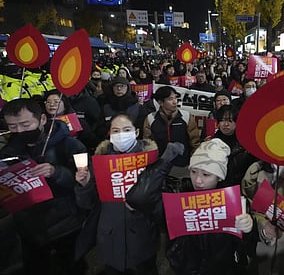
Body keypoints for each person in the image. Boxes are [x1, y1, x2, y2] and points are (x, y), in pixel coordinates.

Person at [74, 113, 183, 275]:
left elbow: (161, 203)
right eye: (116, 131)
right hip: (110, 234)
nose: (121, 135)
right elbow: (87, 204)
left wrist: (142, 205)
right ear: (109, 134)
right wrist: (84, 185)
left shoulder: (151, 161)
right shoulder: (99, 161)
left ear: (136, 132)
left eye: (126, 130)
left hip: (142, 233)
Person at [0, 98, 87, 275]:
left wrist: (56, 172)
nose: (19, 131)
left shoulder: (70, 145)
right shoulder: (8, 152)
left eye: (25, 124)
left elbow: (85, 181)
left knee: (71, 266)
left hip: (66, 224)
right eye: (13, 126)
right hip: (29, 226)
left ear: (43, 119)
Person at [165, 138, 254, 275]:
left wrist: (248, 228)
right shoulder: (179, 194)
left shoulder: (233, 202)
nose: (198, 180)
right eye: (193, 172)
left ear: (219, 177)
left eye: (206, 175)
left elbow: (243, 247)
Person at [143, 86, 200, 176]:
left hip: (183, 166)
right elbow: (148, 144)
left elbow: (195, 143)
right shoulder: (151, 118)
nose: (174, 102)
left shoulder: (186, 116)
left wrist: (194, 163)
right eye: (170, 99)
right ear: (160, 102)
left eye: (175, 98)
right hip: (159, 168)